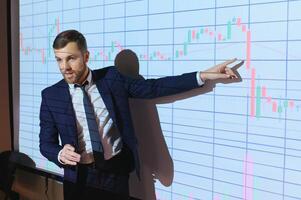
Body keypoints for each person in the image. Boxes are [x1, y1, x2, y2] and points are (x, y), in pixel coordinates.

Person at [39, 29, 239, 200]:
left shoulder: (112, 78)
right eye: (59, 59)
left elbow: (154, 87)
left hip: (115, 173)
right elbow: (45, 143)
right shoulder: (50, 95)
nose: (64, 67)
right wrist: (59, 153)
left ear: (86, 56)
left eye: (71, 58)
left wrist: (202, 75)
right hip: (79, 178)